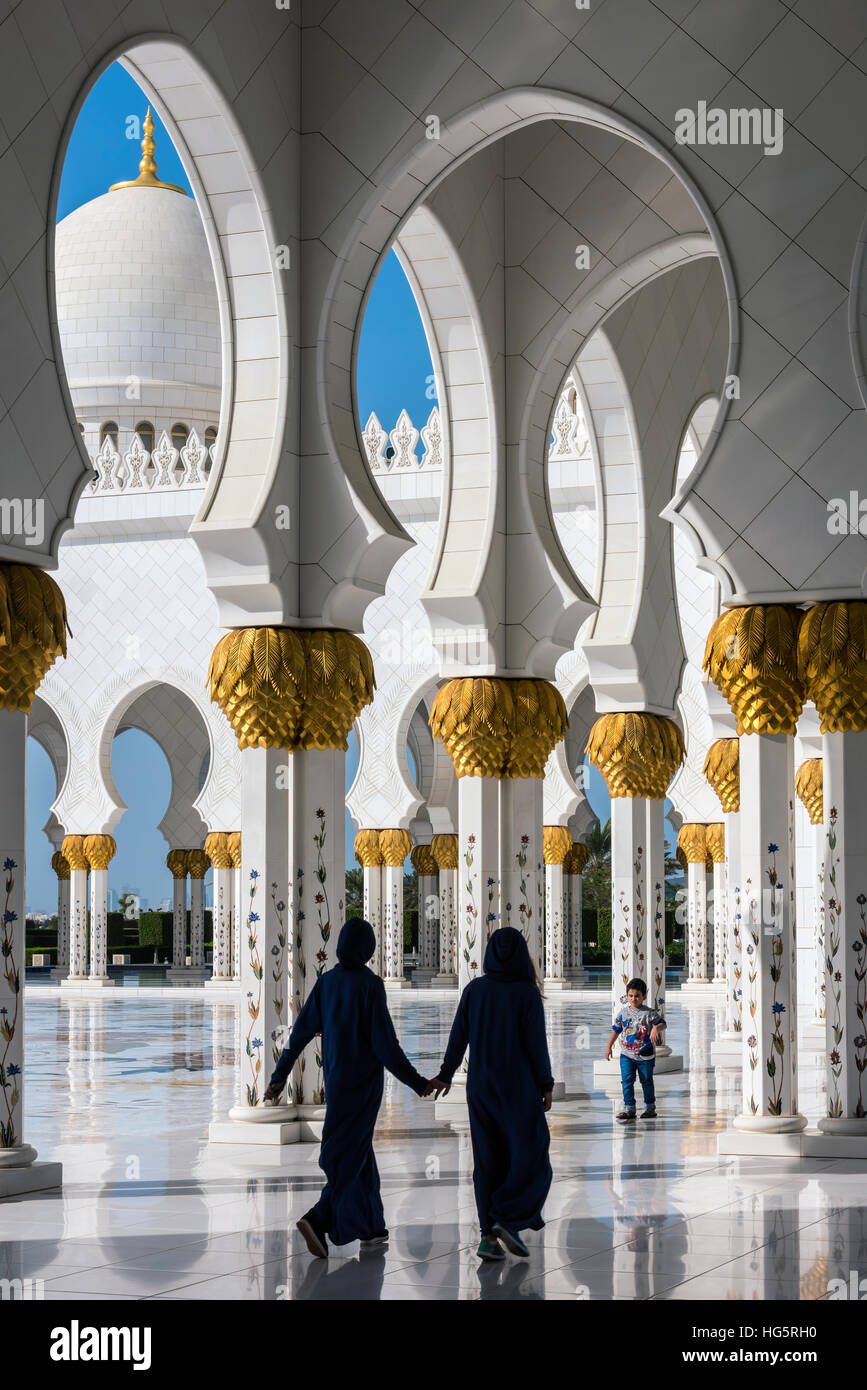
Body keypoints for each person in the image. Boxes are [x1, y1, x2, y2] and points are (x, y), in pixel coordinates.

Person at [263, 917, 429, 1257]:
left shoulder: (328, 983)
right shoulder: (370, 985)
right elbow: (387, 1047)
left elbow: (299, 1035)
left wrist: (278, 1079)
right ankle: (318, 1218)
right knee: (350, 1154)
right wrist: (417, 1082)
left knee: (357, 1149)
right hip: (364, 1086)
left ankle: (372, 1226)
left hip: (337, 1080)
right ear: (367, 949)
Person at [426, 926, 554, 1263]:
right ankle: (506, 1220)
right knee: (532, 1154)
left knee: (487, 1160)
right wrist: (546, 1083)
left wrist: (446, 1074)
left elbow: (458, 1037)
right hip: (518, 1087)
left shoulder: (475, 990)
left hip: (481, 1087)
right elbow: (536, 1045)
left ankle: (488, 1237)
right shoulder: (526, 993)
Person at [604, 977, 665, 1121]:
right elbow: (616, 1029)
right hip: (627, 1054)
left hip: (645, 1055)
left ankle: (650, 1108)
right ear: (627, 996)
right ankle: (629, 1108)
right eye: (630, 996)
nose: (634, 999)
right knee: (626, 1080)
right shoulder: (623, 1013)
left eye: (637, 996)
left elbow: (663, 1023)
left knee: (646, 1080)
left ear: (644, 996)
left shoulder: (649, 1013)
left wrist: (656, 1028)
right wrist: (608, 1046)